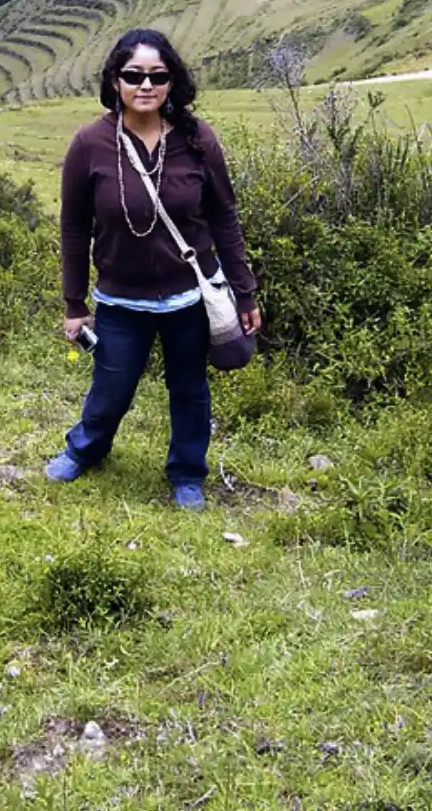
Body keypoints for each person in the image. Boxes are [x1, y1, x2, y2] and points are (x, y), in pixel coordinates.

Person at [47, 28, 261, 510]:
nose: (146, 85)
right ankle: (85, 449)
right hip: (120, 299)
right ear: (115, 81)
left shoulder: (197, 139)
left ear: (172, 82)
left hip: (190, 297)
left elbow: (225, 217)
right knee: (111, 384)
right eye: (134, 75)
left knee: (189, 388)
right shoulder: (89, 144)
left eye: (158, 76)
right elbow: (74, 229)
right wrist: (75, 304)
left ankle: (187, 474)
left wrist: (245, 293)